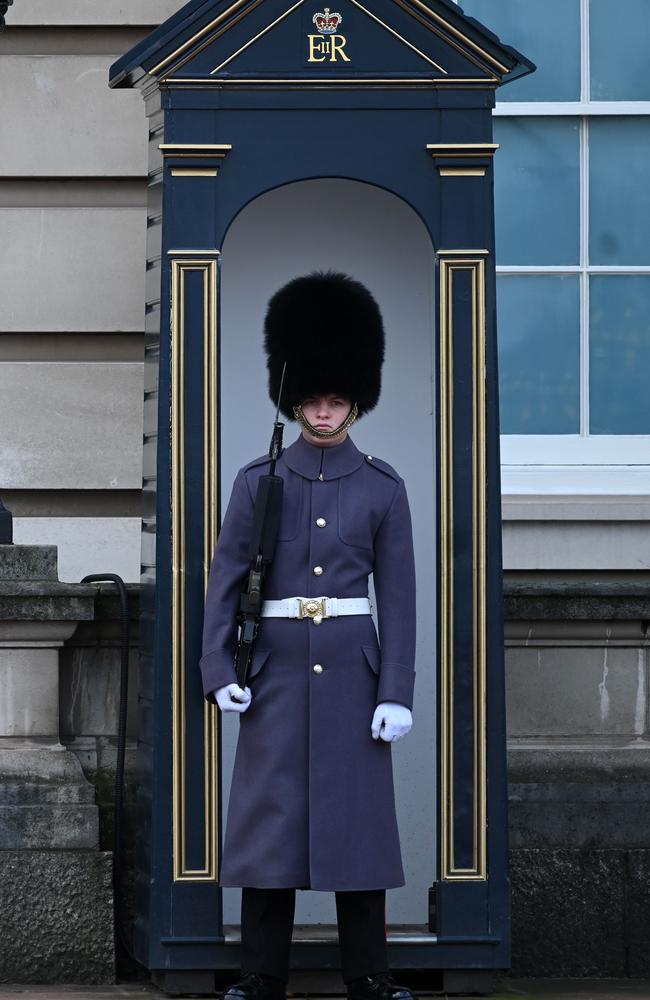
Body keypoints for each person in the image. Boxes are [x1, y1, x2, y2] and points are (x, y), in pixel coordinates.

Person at [200, 271, 417, 1000]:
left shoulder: (383, 487)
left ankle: (372, 976)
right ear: (295, 402)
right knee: (270, 831)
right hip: (275, 673)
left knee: (358, 834)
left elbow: (402, 599)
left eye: (335, 400)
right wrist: (217, 667)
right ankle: (261, 975)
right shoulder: (258, 481)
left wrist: (397, 691)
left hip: (354, 676)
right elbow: (226, 582)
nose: (324, 413)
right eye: (313, 400)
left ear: (356, 401)